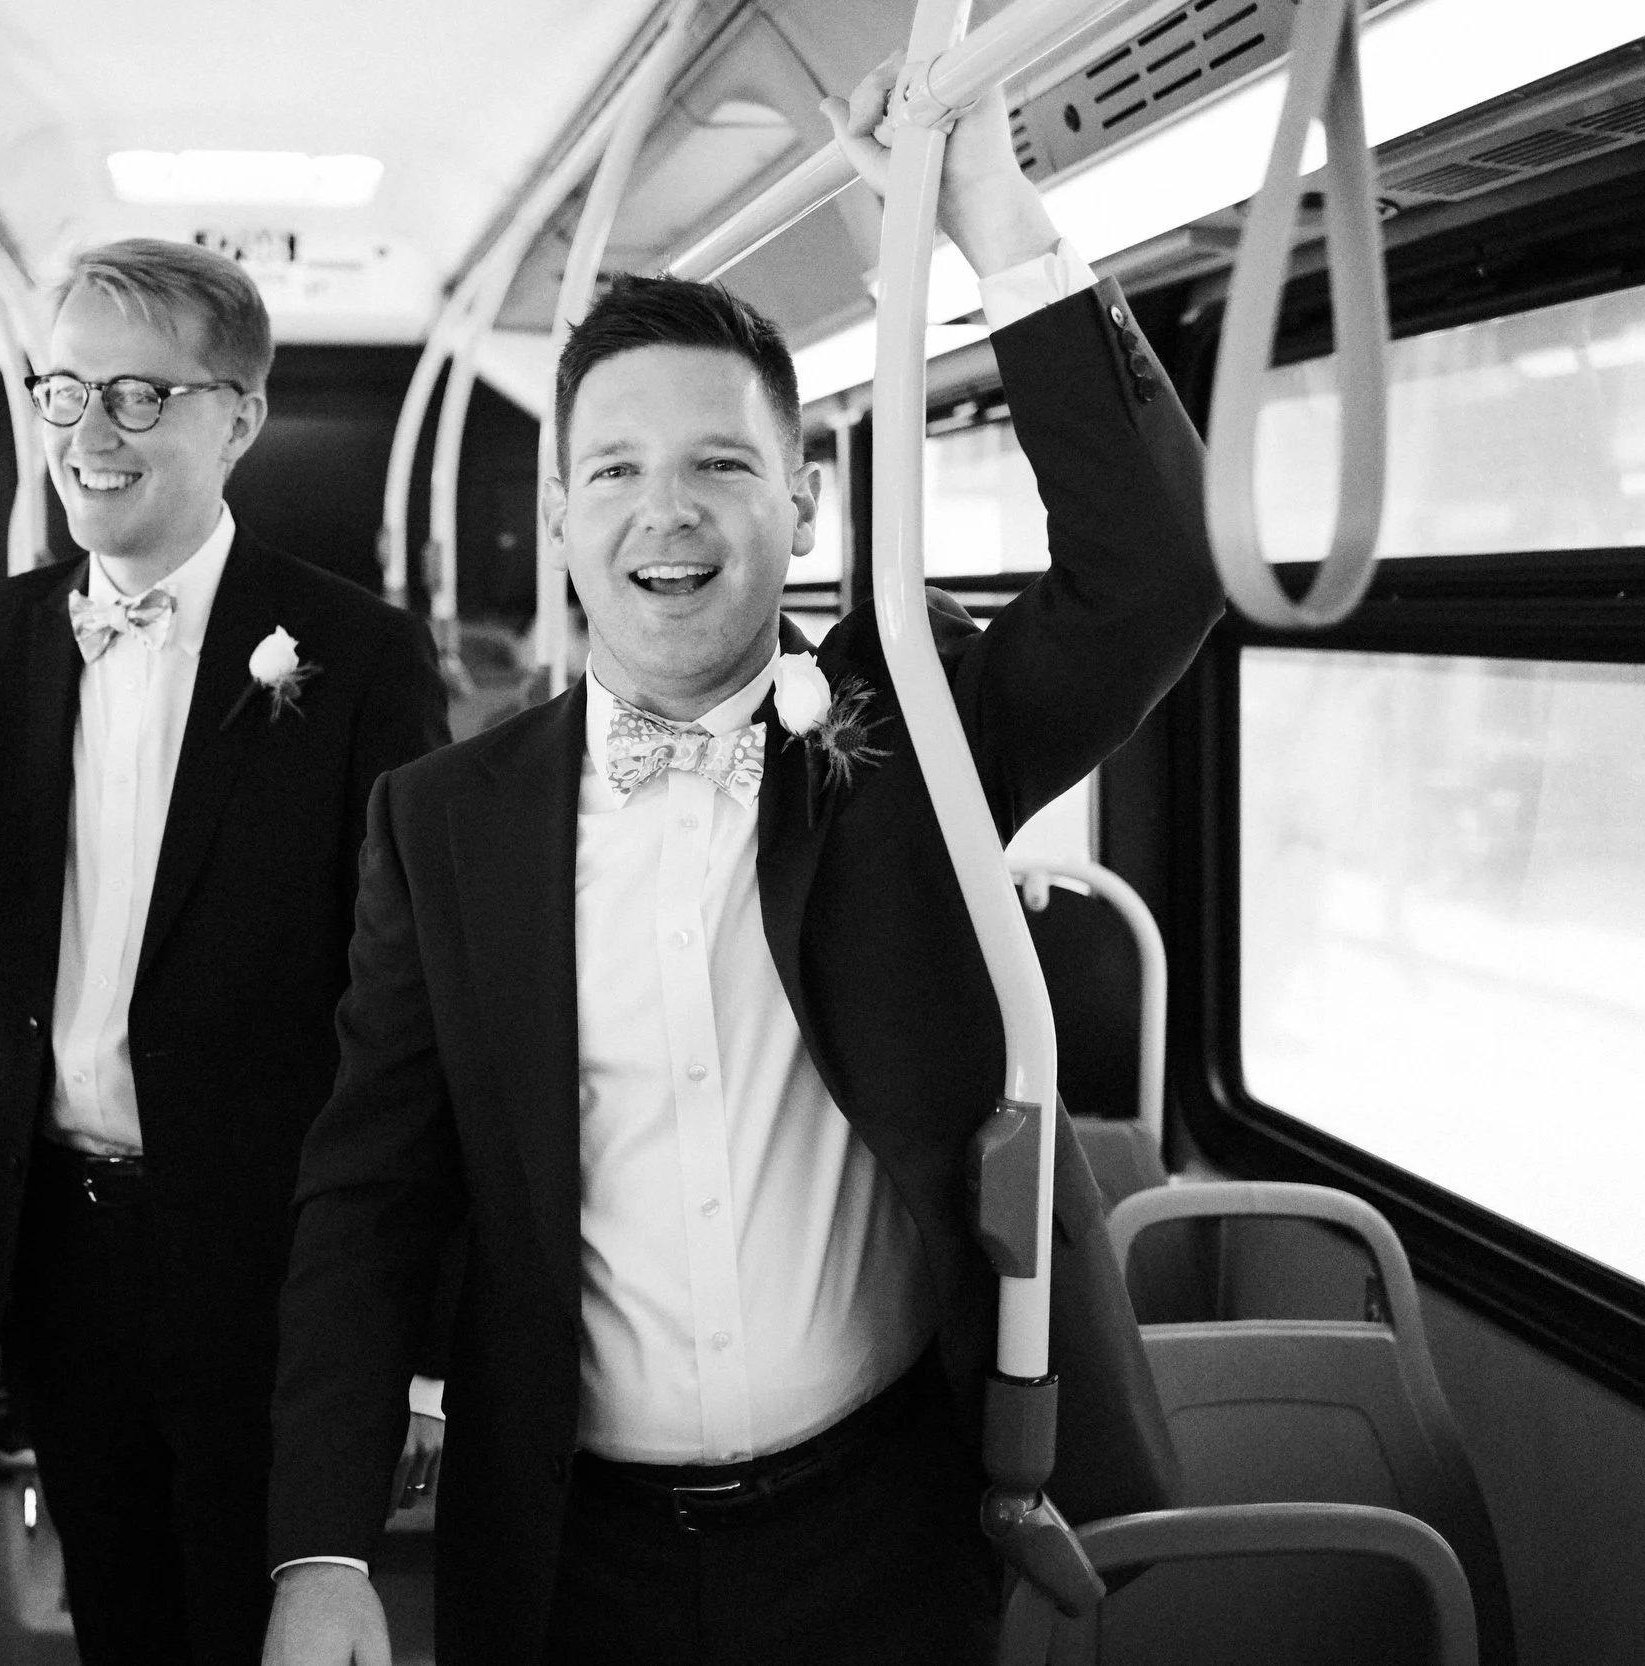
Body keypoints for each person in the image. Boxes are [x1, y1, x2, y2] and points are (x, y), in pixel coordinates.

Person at [261, 61, 1222, 1666]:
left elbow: (1155, 576)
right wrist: (321, 1546)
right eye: (616, 471)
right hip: (574, 1549)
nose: (668, 513)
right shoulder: (439, 825)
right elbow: (368, 1200)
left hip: (895, 1517)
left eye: (720, 464)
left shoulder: (906, 720)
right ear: (564, 516)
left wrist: (989, 204)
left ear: (804, 496)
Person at [0, 237, 451, 1666]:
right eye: (60, 392)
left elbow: (420, 1018)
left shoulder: (356, 654)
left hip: (279, 1258)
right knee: (120, 1620)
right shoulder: (4, 640)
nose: (89, 436)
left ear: (239, 416)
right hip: (60, 1249)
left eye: (139, 398)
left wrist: (420, 1345)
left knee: (263, 1624)